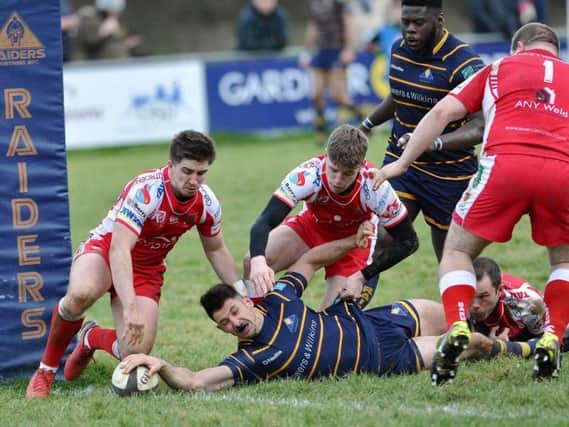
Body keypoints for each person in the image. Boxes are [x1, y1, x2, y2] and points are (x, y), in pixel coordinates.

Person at [373, 22, 569, 384]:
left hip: (505, 165)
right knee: (563, 260)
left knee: (457, 250)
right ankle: (553, 335)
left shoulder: (499, 68)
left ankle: (459, 325)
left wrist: (401, 163)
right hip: (562, 171)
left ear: (519, 46)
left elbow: (440, 114)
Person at [26, 130, 241, 399]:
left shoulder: (207, 203)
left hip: (146, 269)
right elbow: (119, 249)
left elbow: (216, 249)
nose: (194, 180)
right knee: (82, 293)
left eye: (201, 173)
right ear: (171, 164)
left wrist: (241, 292)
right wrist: (130, 307)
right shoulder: (146, 190)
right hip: (107, 250)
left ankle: (91, 338)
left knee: (134, 353)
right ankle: (45, 370)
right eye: (187, 171)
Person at [120, 222, 448, 389]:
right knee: (466, 344)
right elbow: (195, 381)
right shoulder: (251, 358)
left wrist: (353, 241)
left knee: (455, 318)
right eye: (224, 324)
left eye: (234, 312)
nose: (234, 323)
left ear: (247, 300)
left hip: (371, 321)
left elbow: (308, 260)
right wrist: (159, 365)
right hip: (383, 358)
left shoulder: (279, 298)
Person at [359, 0, 485, 262]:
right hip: (400, 165)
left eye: (419, 23)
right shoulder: (398, 49)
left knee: (452, 261)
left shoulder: (465, 63)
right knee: (379, 240)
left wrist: (434, 142)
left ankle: (460, 301)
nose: (410, 30)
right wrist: (366, 126)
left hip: (449, 174)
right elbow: (399, 96)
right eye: (405, 22)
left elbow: (481, 125)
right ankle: (350, 301)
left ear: (439, 22)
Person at [246, 124, 418, 311]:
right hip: (311, 227)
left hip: (354, 244)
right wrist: (258, 262)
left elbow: (409, 241)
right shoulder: (308, 175)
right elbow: (265, 221)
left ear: (361, 165)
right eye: (334, 169)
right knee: (252, 260)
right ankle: (255, 322)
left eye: (347, 174)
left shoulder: (375, 188)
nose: (337, 180)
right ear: (326, 154)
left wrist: (363, 276)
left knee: (334, 318)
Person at [299, 0, 364, 145]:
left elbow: (349, 23)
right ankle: (320, 131)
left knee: (338, 97)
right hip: (321, 52)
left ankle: (364, 119)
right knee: (316, 94)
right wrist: (305, 51)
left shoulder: (339, 3)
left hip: (337, 51)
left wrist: (349, 48)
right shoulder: (314, 4)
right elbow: (313, 26)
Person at [74, 0, 141, 61]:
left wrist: (125, 43)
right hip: (97, 65)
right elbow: (89, 41)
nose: (118, 12)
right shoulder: (90, 18)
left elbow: (114, 42)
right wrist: (104, 31)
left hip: (119, 62)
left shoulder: (114, 20)